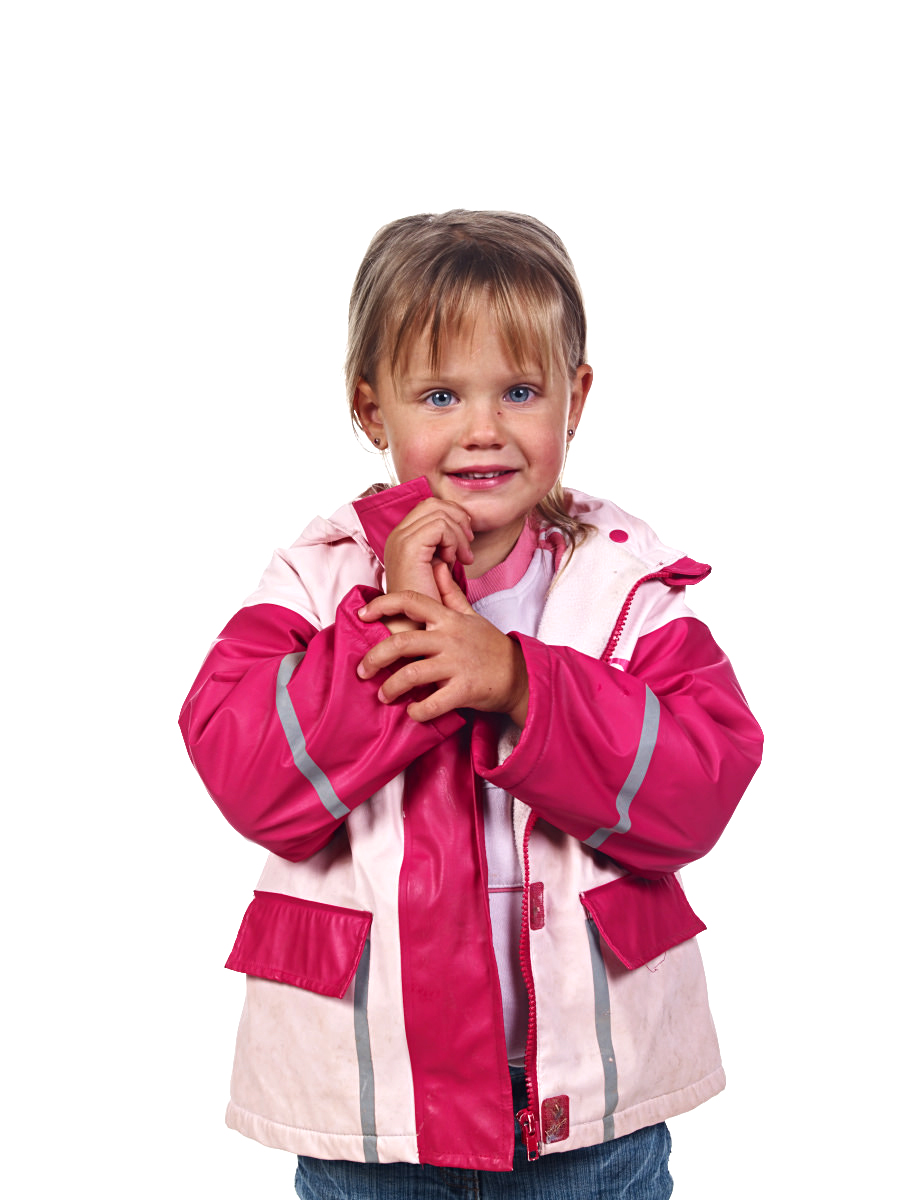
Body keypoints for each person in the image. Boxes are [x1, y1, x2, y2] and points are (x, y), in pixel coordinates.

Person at [179, 210, 763, 1199]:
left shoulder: (624, 586)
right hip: (374, 1114)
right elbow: (252, 776)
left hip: (588, 1115)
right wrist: (387, 619)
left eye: (520, 390)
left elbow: (698, 787)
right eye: (441, 394)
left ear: (575, 399)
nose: (484, 427)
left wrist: (520, 683)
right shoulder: (321, 581)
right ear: (372, 410)